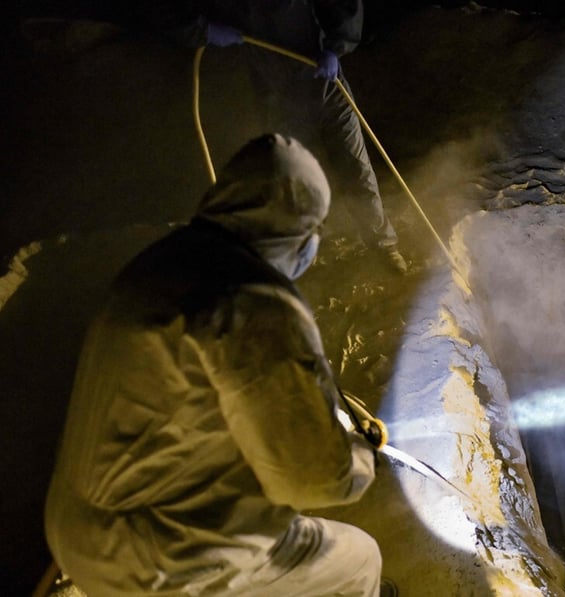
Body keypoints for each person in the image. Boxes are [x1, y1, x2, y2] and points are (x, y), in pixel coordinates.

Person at [45, 134, 394, 596]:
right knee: (358, 559)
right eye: (315, 229)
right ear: (296, 229)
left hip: (75, 533)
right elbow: (314, 481)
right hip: (165, 559)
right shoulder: (257, 301)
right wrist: (360, 452)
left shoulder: (157, 262)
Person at [145, 0, 407, 273]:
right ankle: (301, 256)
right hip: (279, 98)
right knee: (295, 182)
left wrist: (336, 46)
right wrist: (204, 30)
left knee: (356, 168)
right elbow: (161, 12)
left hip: (328, 87)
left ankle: (383, 245)